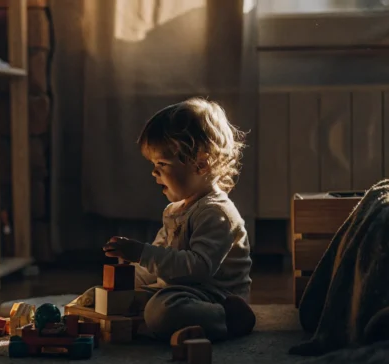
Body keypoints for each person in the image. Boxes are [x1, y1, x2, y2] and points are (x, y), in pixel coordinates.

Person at [78, 97, 256, 342]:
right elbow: (159, 260)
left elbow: (198, 269)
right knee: (113, 299)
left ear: (201, 164)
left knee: (162, 310)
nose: (154, 172)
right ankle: (170, 324)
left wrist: (142, 253)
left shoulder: (217, 212)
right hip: (181, 288)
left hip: (214, 295)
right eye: (153, 164)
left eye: (161, 163)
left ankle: (226, 318)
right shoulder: (174, 211)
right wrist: (123, 283)